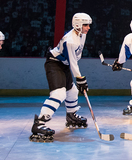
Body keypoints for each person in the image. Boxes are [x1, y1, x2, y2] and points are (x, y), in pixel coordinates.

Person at [30, 13, 91, 142]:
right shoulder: (70, 41)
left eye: (88, 25)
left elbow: (76, 57)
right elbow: (73, 61)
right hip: (54, 63)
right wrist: (80, 78)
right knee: (59, 94)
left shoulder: (82, 35)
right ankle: (39, 123)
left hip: (64, 64)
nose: (88, 27)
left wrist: (79, 79)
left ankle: (71, 116)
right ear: (78, 25)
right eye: (85, 25)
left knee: (72, 91)